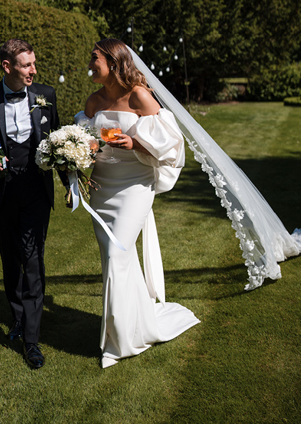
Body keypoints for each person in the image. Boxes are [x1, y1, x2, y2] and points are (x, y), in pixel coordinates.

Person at [75, 38, 199, 368]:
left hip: (135, 185)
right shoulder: (93, 101)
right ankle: (131, 323)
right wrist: (79, 152)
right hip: (102, 186)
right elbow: (86, 140)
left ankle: (119, 342)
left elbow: (171, 145)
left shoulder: (139, 96)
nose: (90, 64)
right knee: (114, 260)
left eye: (94, 58)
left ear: (113, 65)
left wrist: (136, 144)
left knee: (118, 252)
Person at [0, 39, 60, 369]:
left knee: (33, 259)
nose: (34, 70)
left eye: (34, 63)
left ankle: (32, 341)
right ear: (8, 67)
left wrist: (71, 182)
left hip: (36, 188)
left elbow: (57, 142)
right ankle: (18, 318)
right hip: (2, 192)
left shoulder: (45, 95)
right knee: (11, 258)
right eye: (26, 65)